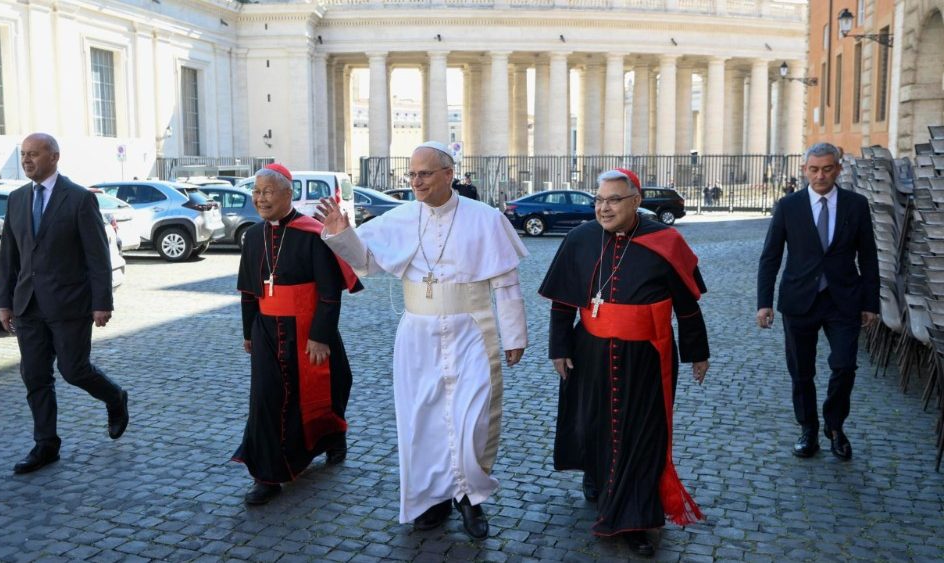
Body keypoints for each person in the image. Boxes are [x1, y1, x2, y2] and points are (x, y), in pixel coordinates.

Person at [316, 141, 528, 540]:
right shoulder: (400, 218)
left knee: (472, 419)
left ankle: (470, 497)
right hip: (417, 337)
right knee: (422, 420)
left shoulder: (485, 218)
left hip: (471, 332)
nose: (416, 181)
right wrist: (342, 234)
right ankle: (432, 500)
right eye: (412, 174)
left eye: (425, 174)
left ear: (449, 174)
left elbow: (506, 282)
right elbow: (367, 262)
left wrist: (514, 335)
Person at [538, 168, 709, 557]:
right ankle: (596, 474)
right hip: (590, 352)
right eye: (599, 200)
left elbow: (687, 306)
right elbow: (563, 301)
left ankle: (635, 518)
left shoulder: (666, 241)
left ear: (636, 201)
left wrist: (697, 352)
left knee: (642, 435)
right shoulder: (580, 239)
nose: (604, 208)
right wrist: (559, 348)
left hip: (646, 357)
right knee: (594, 422)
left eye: (614, 200)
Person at [0, 133, 129, 474]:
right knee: (34, 375)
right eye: (23, 154)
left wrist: (102, 302)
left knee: (73, 370)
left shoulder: (79, 198)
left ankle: (114, 397)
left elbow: (96, 255)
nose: (27, 160)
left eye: (34, 154)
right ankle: (46, 445)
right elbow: (9, 256)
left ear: (54, 157)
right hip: (28, 305)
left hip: (69, 303)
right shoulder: (16, 199)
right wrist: (4, 303)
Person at [232, 165, 362, 505]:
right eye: (256, 192)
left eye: (267, 191)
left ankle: (332, 438)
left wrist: (320, 335)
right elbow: (249, 292)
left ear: (288, 194)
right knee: (265, 401)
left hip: (308, 330)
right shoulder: (253, 236)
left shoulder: (312, 233)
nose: (260, 198)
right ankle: (267, 476)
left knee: (328, 390)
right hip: (266, 332)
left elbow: (329, 293)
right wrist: (248, 333)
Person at [756, 142, 879, 461]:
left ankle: (835, 426)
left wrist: (871, 303)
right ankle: (808, 428)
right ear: (804, 170)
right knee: (801, 370)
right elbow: (770, 256)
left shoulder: (856, 205)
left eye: (826, 169)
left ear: (838, 169)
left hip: (843, 300)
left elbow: (868, 256)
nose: (820, 175)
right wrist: (764, 302)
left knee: (845, 365)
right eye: (814, 169)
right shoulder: (788, 206)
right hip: (799, 300)